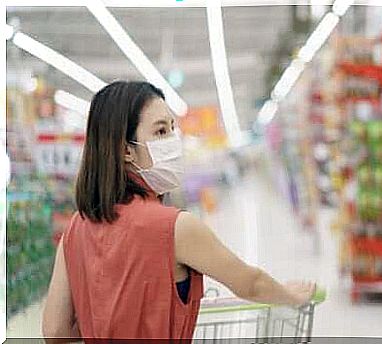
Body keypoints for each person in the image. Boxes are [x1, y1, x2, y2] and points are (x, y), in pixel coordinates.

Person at [42, 81, 316, 342]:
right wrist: (291, 295)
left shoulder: (76, 227)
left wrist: (104, 322)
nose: (173, 140)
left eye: (173, 129)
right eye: (161, 131)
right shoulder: (173, 227)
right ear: (126, 150)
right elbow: (250, 283)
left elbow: (55, 330)